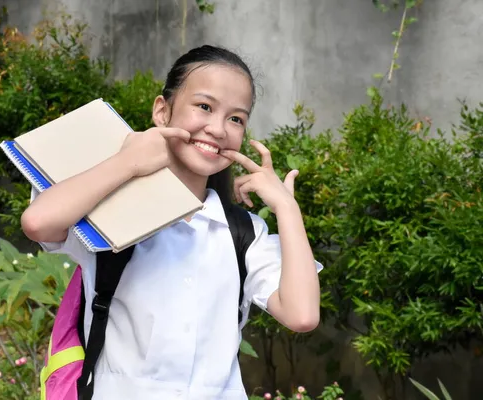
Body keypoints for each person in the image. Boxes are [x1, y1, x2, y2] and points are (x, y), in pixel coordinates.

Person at [21, 45, 323, 400]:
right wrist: (129, 162)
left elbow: (302, 316)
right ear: (162, 111)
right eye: (205, 107)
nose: (217, 129)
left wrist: (287, 208)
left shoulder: (243, 233)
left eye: (236, 118)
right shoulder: (112, 207)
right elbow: (38, 222)